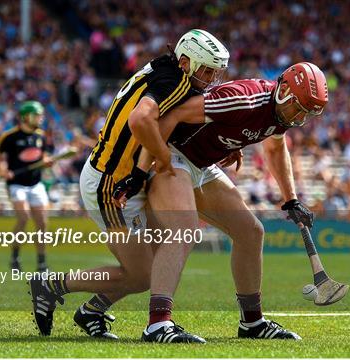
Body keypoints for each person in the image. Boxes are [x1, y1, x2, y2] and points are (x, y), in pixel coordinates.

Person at [27, 29, 230, 342]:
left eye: (215, 72)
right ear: (186, 61)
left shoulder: (169, 70)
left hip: (124, 177)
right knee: (141, 274)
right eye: (207, 70)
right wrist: (162, 159)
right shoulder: (173, 81)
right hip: (110, 184)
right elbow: (140, 120)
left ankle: (92, 310)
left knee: (160, 256)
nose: (211, 78)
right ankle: (51, 285)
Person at [115, 62, 329, 342]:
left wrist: (291, 199)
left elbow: (275, 148)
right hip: (173, 152)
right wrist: (142, 169)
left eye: (306, 114)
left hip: (202, 165)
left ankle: (252, 323)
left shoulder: (282, 113)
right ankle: (157, 324)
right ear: (285, 89)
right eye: (298, 108)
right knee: (184, 229)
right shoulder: (243, 97)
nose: (298, 118)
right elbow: (171, 115)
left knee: (251, 233)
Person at [0, 100, 53, 272]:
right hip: (16, 184)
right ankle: (15, 257)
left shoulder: (41, 136)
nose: (40, 118)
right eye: (37, 115)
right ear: (26, 117)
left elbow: (45, 156)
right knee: (24, 217)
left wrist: (47, 161)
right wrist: (2, 170)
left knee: (42, 222)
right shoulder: (10, 136)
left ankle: (42, 263)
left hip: (36, 183)